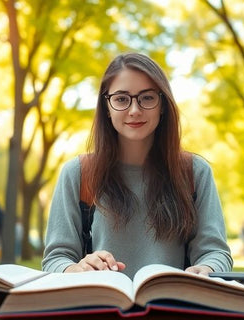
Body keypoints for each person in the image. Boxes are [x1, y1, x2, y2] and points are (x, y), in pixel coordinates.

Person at [42, 52, 233, 278]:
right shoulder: (78, 173)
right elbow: (55, 258)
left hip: (173, 308)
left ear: (162, 104)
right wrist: (76, 267)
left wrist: (207, 268)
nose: (134, 110)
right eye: (122, 99)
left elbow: (216, 253)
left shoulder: (195, 172)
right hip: (101, 307)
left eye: (147, 97)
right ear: (107, 107)